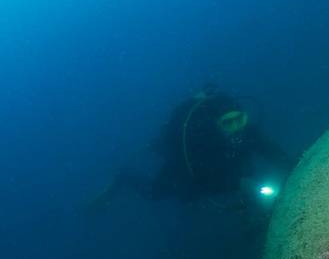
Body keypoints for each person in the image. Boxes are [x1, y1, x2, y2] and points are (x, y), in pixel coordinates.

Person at [88, 85, 294, 212]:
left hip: (225, 167)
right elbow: (202, 178)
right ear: (216, 125)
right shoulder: (202, 140)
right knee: (153, 193)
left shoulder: (245, 130)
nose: (236, 128)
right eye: (227, 123)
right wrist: (240, 183)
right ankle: (124, 176)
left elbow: (269, 149)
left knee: (247, 169)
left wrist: (291, 165)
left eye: (239, 120)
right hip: (186, 169)